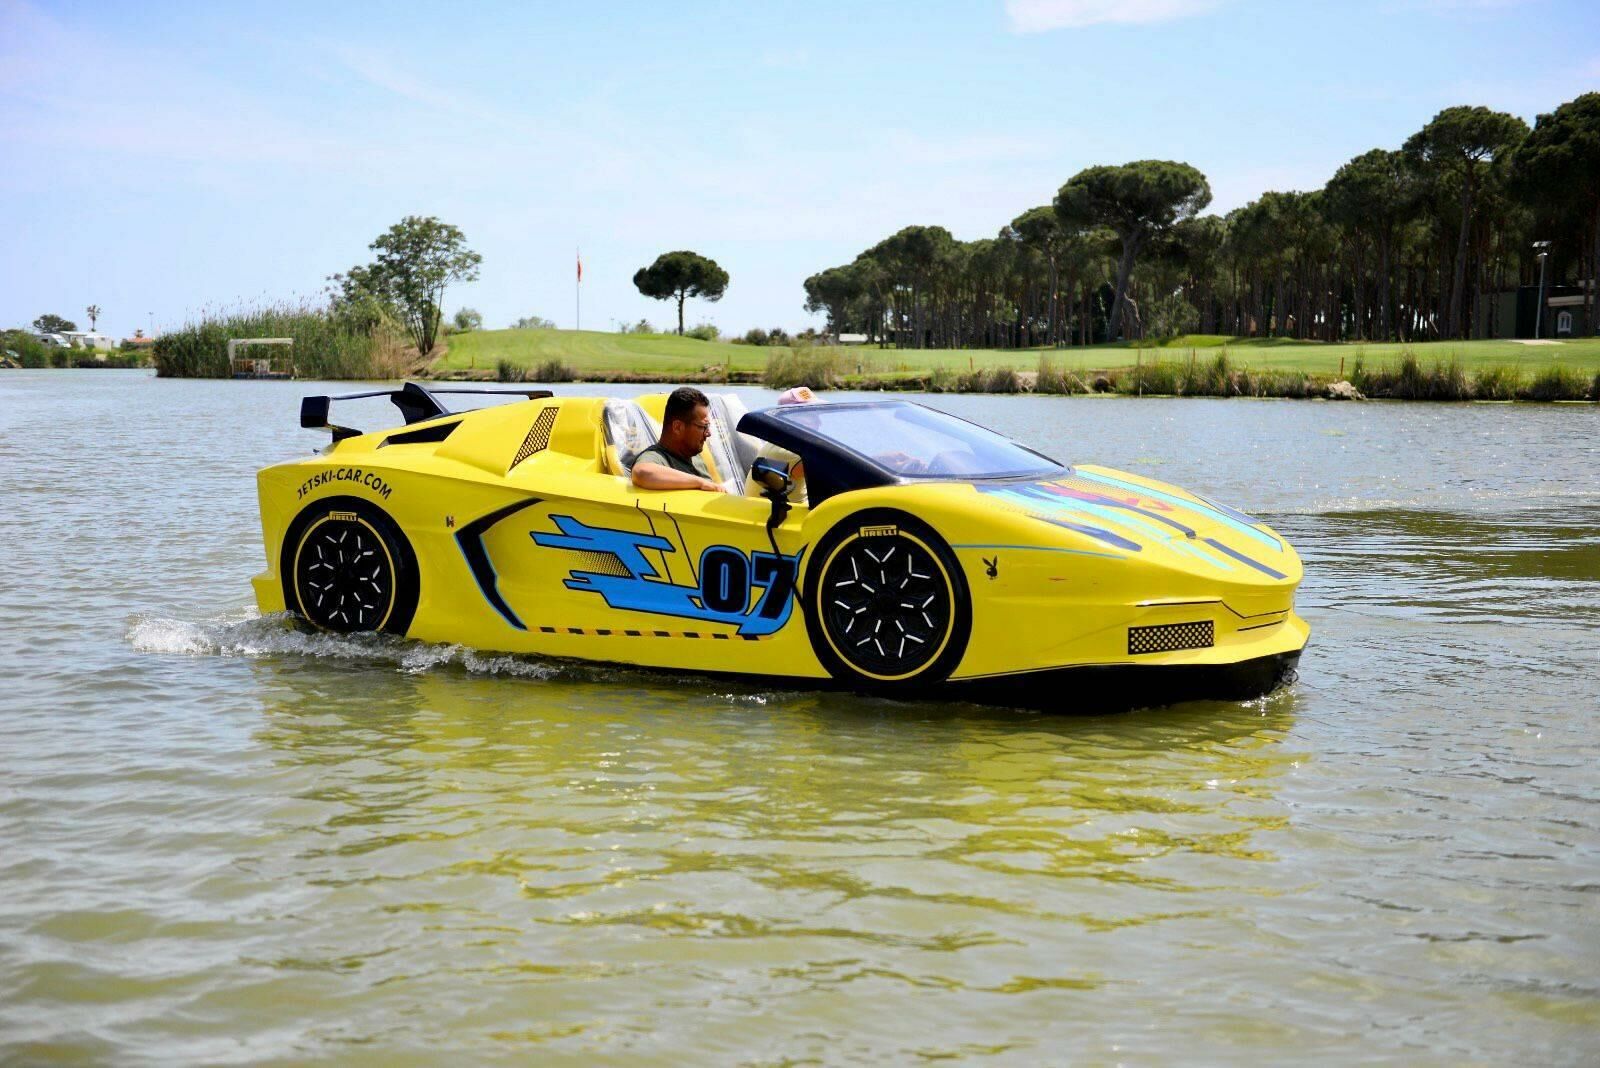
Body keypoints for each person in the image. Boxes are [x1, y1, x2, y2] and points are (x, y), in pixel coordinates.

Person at [631, 386, 727, 492]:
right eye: (703, 427)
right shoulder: (656, 457)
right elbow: (641, 473)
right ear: (677, 427)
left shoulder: (694, 455)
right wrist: (700, 483)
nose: (708, 433)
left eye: (708, 427)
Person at [746, 386, 814, 504]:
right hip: (775, 518)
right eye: (810, 415)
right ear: (789, 418)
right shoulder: (789, 451)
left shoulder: (782, 441)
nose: (819, 421)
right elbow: (832, 471)